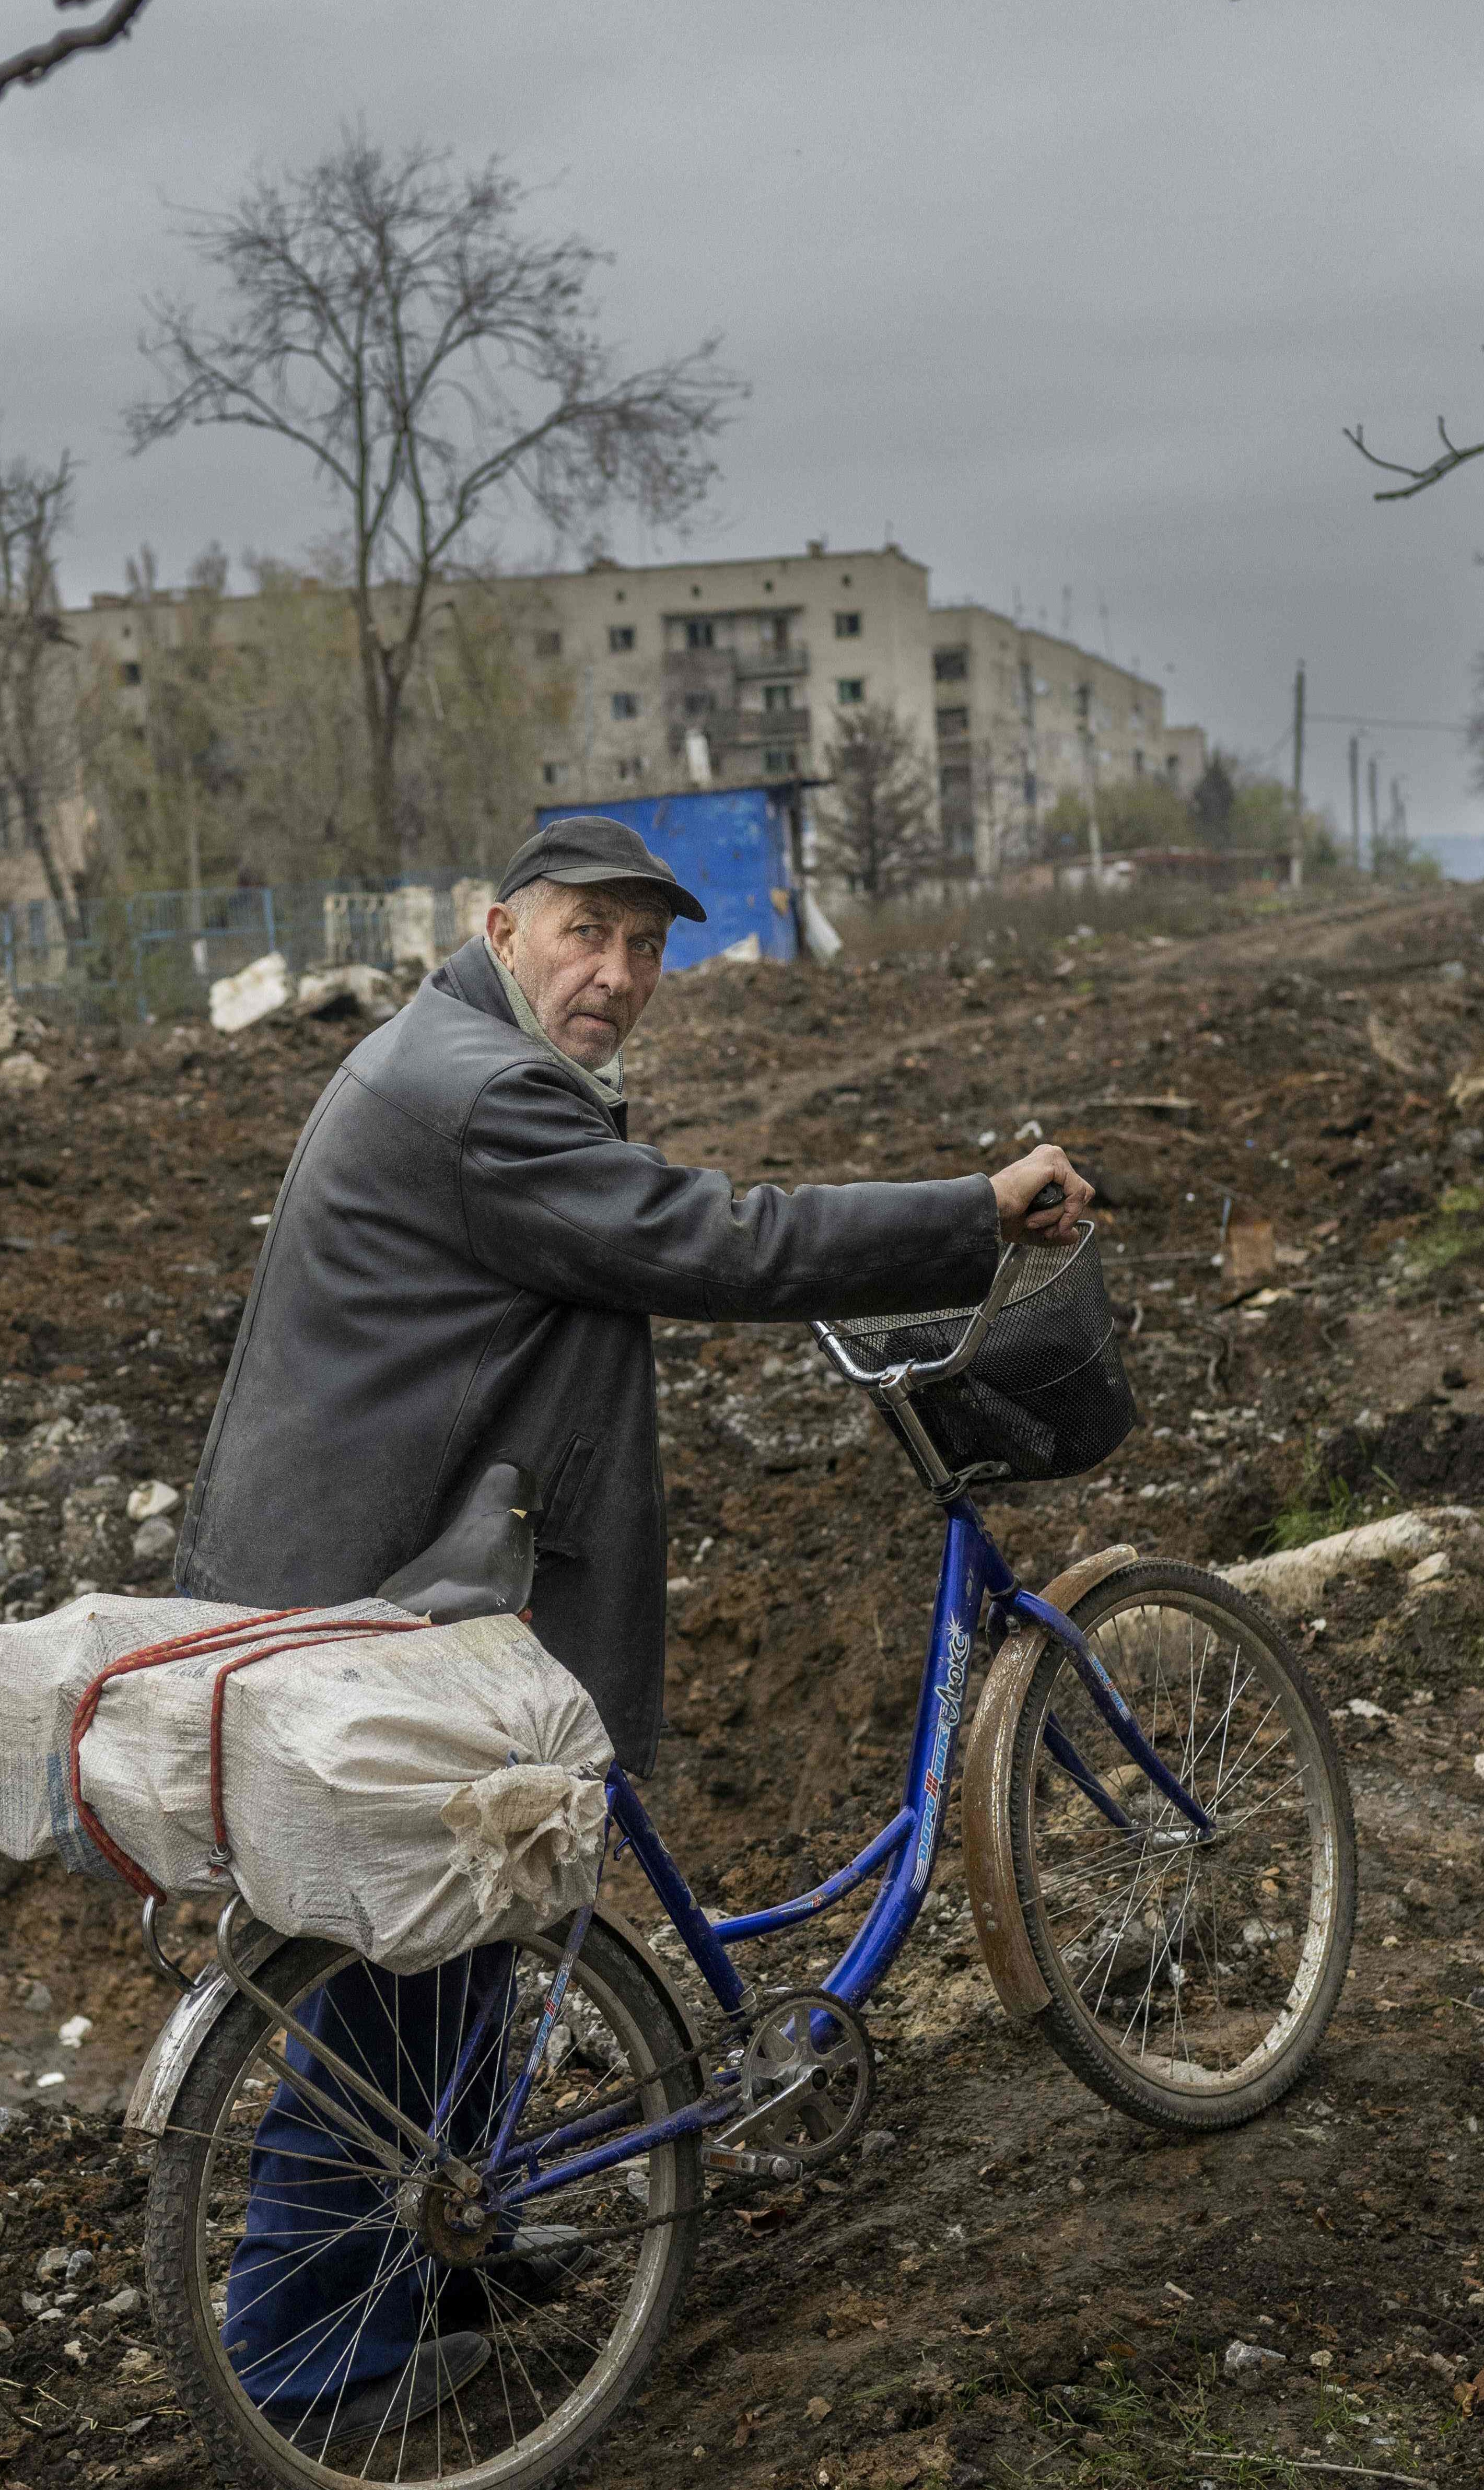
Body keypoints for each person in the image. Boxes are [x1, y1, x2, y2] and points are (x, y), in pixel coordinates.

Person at [177, 814, 1090, 2431]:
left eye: (648, 947)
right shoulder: (485, 1093)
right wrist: (973, 1211)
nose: (615, 976)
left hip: (374, 1555)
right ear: (499, 925)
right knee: (407, 1965)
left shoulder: (451, 1051)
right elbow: (702, 1239)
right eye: (586, 934)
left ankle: (433, 2260)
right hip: (380, 1583)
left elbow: (606, 1248)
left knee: (450, 1940)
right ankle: (309, 2351)